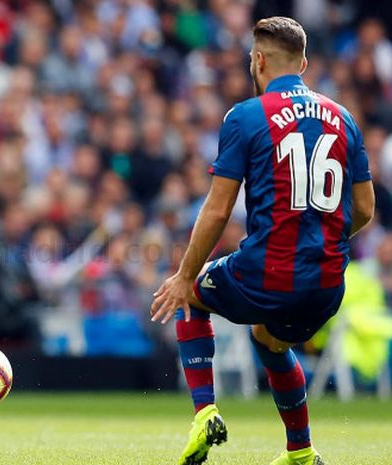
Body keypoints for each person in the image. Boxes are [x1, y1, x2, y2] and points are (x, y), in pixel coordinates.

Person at [150, 17, 375, 465]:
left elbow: (216, 210)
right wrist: (319, 237)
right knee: (269, 340)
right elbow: (365, 209)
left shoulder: (247, 116)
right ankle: (301, 452)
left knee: (189, 296)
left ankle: (205, 414)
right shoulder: (344, 118)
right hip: (328, 284)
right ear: (304, 63)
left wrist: (184, 274)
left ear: (257, 61)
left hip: (270, 273)